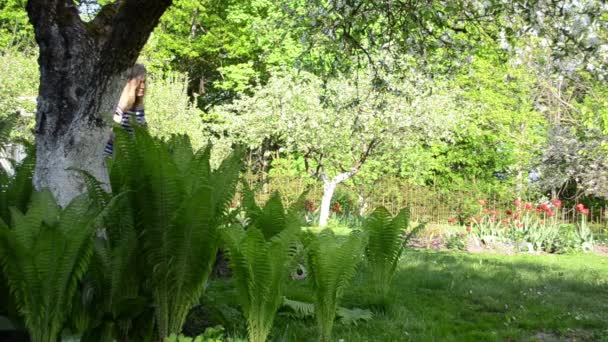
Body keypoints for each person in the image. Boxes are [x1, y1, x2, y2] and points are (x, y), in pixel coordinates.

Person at [103, 63, 147, 156]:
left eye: (144, 82)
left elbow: (142, 135)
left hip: (127, 159)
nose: (143, 86)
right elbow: (106, 133)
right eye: (140, 82)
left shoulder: (138, 106)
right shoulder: (115, 103)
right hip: (108, 156)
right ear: (129, 81)